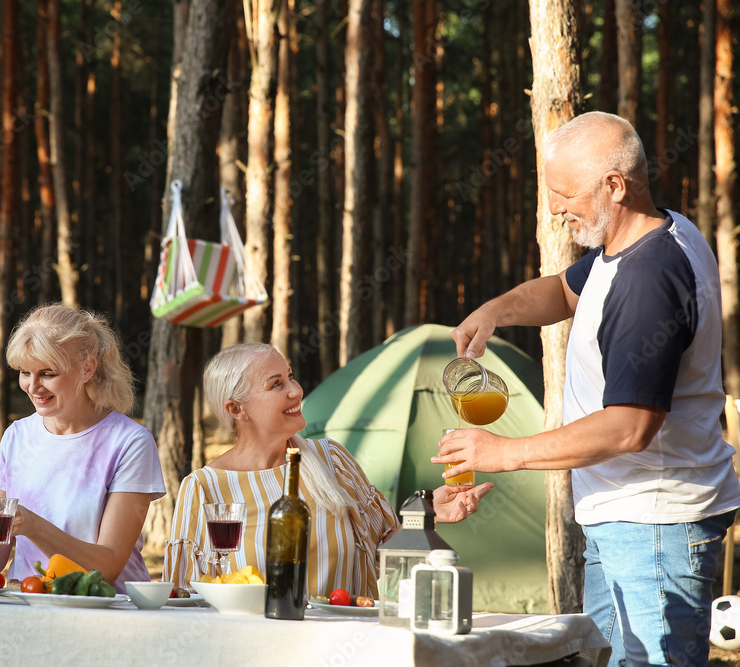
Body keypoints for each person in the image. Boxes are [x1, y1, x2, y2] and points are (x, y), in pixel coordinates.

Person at [436, 111, 740, 666]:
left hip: (654, 526)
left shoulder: (648, 280)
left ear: (615, 187)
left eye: (564, 193)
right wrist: (496, 310)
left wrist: (504, 452)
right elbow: (565, 290)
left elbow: (630, 426)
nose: (554, 209)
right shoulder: (644, 237)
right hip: (626, 519)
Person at [163, 342, 492, 597]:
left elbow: (381, 554)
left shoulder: (331, 459)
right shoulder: (205, 489)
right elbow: (180, 596)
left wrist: (426, 515)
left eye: (290, 376)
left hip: (343, 646)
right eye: (276, 384)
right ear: (236, 409)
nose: (296, 390)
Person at [0, 305, 165, 593]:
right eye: (25, 372)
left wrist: (33, 525)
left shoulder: (130, 442)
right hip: (29, 603)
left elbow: (108, 566)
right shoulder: (17, 435)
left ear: (88, 368)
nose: (33, 386)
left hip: (107, 611)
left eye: (48, 373)